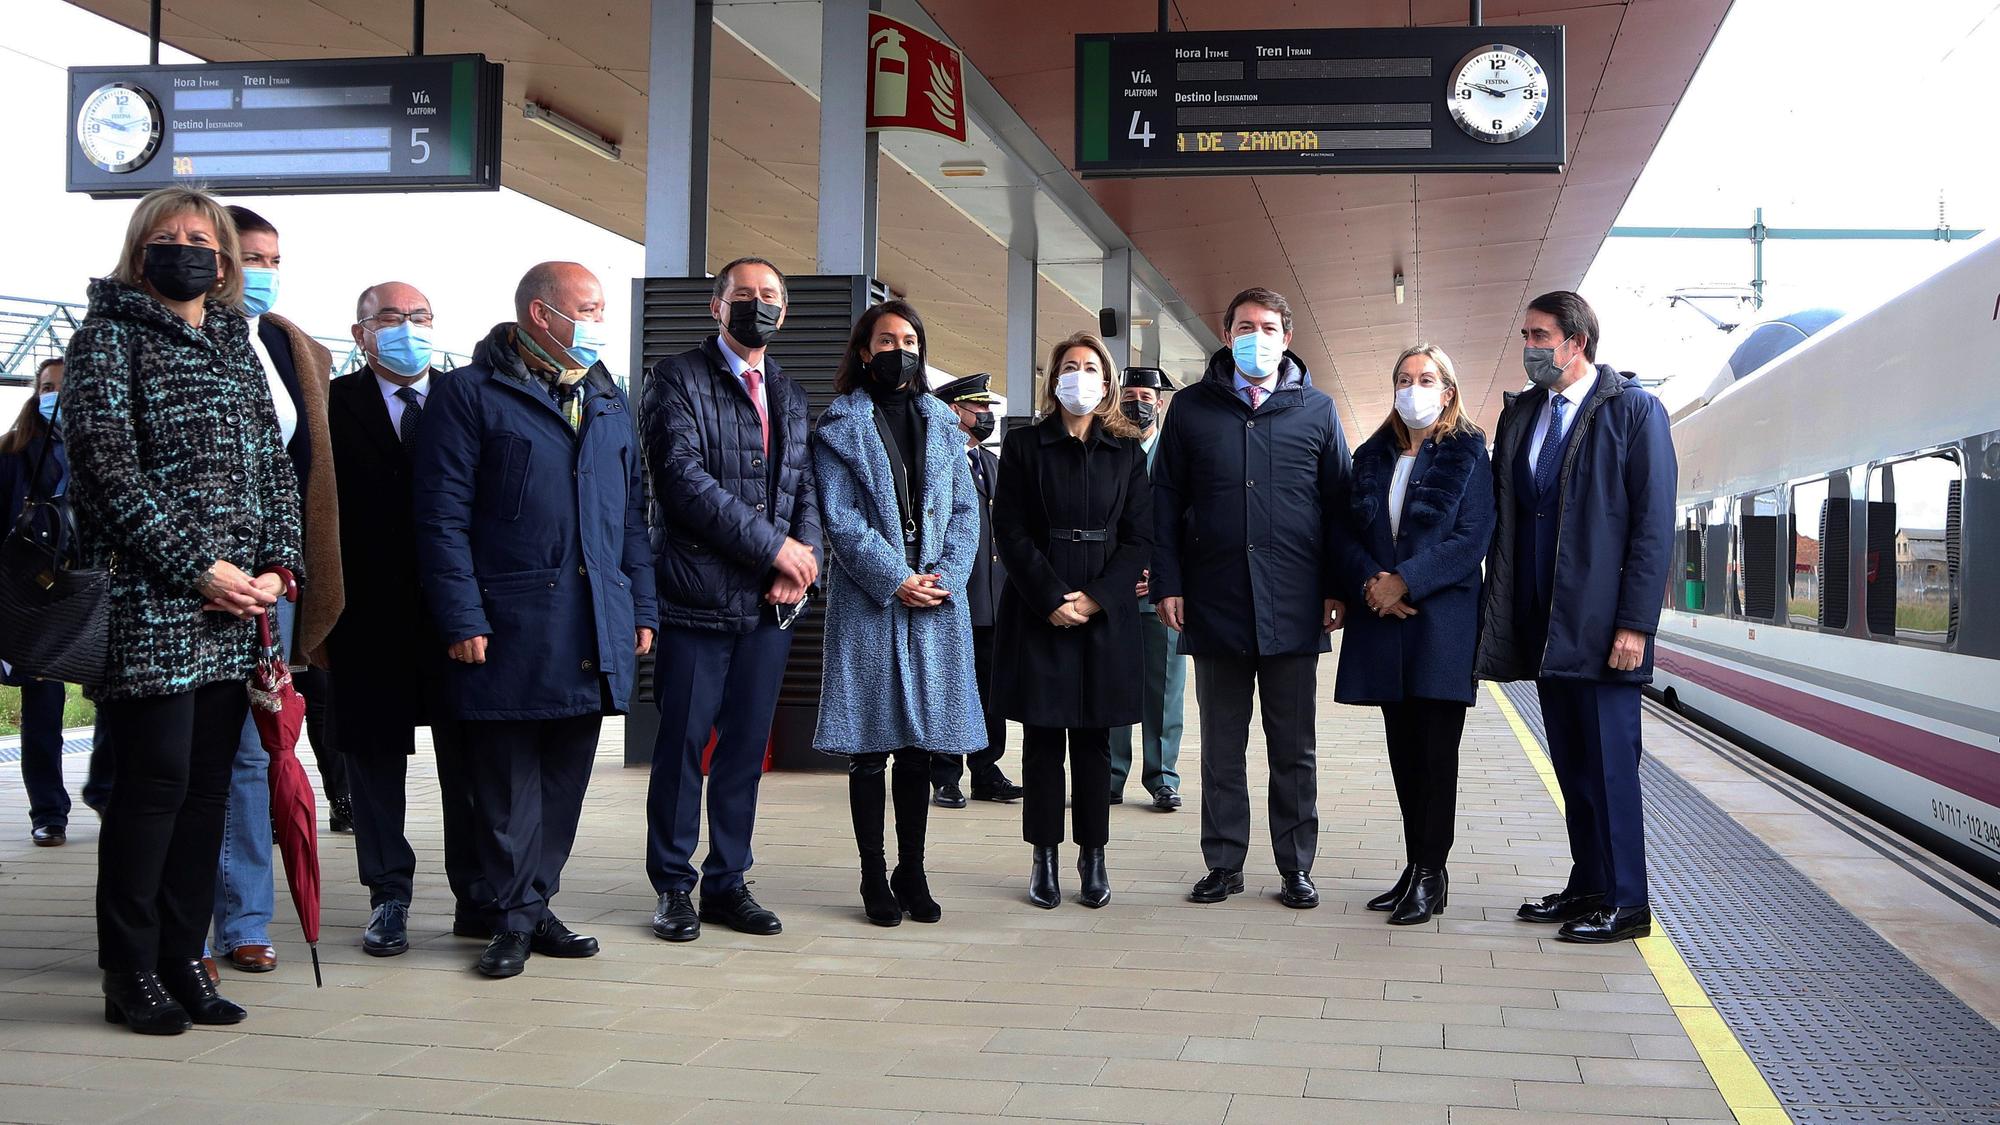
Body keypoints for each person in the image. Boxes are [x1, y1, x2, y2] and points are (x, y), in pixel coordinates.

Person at [64, 186, 301, 1033]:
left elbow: (273, 468)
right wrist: (199, 567)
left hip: (238, 610)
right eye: (166, 236)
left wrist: (280, 565)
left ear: (225, 257)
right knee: (152, 789)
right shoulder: (106, 339)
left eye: (201, 236)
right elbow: (106, 472)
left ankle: (182, 960)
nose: (185, 247)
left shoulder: (236, 345)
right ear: (139, 251)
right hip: (153, 604)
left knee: (206, 794)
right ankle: (129, 971)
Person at [412, 261, 658, 978]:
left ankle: (529, 903)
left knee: (562, 782)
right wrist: (462, 614)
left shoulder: (609, 398)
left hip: (592, 622)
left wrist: (639, 604)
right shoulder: (468, 395)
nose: (599, 321)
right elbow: (440, 518)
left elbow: (632, 520)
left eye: (603, 307)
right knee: (504, 784)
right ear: (541, 315)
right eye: (587, 307)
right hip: (508, 624)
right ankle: (515, 918)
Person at [1476, 291, 1676, 944]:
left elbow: (1651, 527)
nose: (1529, 347)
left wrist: (1635, 625)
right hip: (1547, 627)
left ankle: (1627, 902)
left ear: (1576, 341)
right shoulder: (1524, 415)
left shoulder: (1634, 412)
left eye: (1539, 335)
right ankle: (1588, 883)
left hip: (1605, 630)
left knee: (1612, 771)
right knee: (1574, 767)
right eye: (1526, 336)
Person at [1151, 286, 1351, 910]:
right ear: (1226, 331)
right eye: (1244, 325)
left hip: (1294, 607)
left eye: (1267, 327)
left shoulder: (1317, 412)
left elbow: (1340, 509)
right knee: (1221, 748)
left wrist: (1337, 589)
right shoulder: (1189, 411)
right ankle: (1224, 862)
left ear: (1287, 338)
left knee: (1294, 750)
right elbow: (1163, 503)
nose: (1255, 337)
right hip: (1214, 605)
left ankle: (1295, 866)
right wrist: (1169, 582)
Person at [643, 257, 820, 944]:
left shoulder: (789, 391)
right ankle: (673, 886)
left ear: (786, 311)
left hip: (769, 608)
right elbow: (681, 482)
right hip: (695, 598)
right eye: (743, 295)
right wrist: (772, 549)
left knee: (745, 748)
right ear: (717, 307)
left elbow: (804, 488)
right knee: (684, 745)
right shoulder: (676, 378)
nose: (758, 305)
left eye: (770, 296)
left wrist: (799, 562)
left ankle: (728, 881)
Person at [325, 281, 493, 955]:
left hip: (456, 615)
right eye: (389, 318)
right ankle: (387, 893)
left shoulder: (468, 396)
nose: (406, 328)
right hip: (366, 617)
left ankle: (476, 896)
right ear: (361, 333)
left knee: (471, 764)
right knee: (371, 764)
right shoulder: (333, 405)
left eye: (419, 317)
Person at [812, 300, 983, 926]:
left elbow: (966, 512)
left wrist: (947, 579)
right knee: (870, 750)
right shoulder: (839, 425)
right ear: (864, 350)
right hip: (871, 600)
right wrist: (895, 578)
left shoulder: (943, 421)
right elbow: (842, 520)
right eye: (886, 340)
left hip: (937, 599)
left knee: (919, 748)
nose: (899, 350)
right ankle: (871, 877)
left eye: (909, 339)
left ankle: (912, 870)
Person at [208, 205, 345, 976]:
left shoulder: (287, 348)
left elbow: (294, 479)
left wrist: (282, 570)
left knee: (260, 752)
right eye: (248, 255)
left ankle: (247, 919)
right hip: (196, 587)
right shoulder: (178, 342)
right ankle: (186, 926)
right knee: (194, 755)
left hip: (273, 584)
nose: (262, 271)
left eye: (272, 258)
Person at [1332, 344, 1495, 925]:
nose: (1414, 388)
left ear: (1448, 391)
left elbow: (1472, 541)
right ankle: (1416, 864)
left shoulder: (1471, 455)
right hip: (1384, 622)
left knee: (1435, 756)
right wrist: (1370, 582)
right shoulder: (1371, 456)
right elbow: (1343, 533)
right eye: (1404, 378)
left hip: (1440, 626)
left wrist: (1405, 582)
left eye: (1426, 378)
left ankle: (1433, 871)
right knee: (1403, 754)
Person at [990, 333, 1151, 909]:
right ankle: (1043, 855)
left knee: (1094, 741)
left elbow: (1139, 539)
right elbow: (1008, 529)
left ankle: (1094, 855)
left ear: (1106, 382)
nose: (1079, 376)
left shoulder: (1126, 452)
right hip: (1041, 605)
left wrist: (1096, 599)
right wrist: (1053, 596)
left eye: (1090, 367)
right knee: (1041, 739)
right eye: (1069, 366)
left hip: (1104, 611)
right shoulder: (1025, 445)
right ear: (1053, 378)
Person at [0, 358, 110, 842]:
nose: (56, 397)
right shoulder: (12, 453)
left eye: (65, 388)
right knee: (42, 705)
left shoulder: (107, 447)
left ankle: (106, 792)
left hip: (94, 585)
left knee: (112, 697)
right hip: (37, 590)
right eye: (47, 387)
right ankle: (48, 812)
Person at [926, 372, 1023, 809]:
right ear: (953, 410)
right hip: (955, 598)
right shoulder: (938, 463)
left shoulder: (991, 463)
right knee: (951, 686)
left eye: (988, 409)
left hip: (994, 599)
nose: (986, 416)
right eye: (978, 408)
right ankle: (945, 773)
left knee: (991, 689)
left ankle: (986, 768)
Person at [1107, 366, 1185, 812]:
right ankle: (1111, 777)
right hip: (1116, 593)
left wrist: (1160, 576)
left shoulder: (1177, 456)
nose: (1138, 401)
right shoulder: (1110, 452)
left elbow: (1187, 525)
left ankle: (1162, 778)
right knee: (1115, 686)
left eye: (1146, 395)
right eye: (1130, 393)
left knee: (1164, 690)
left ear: (1160, 402)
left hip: (1162, 596)